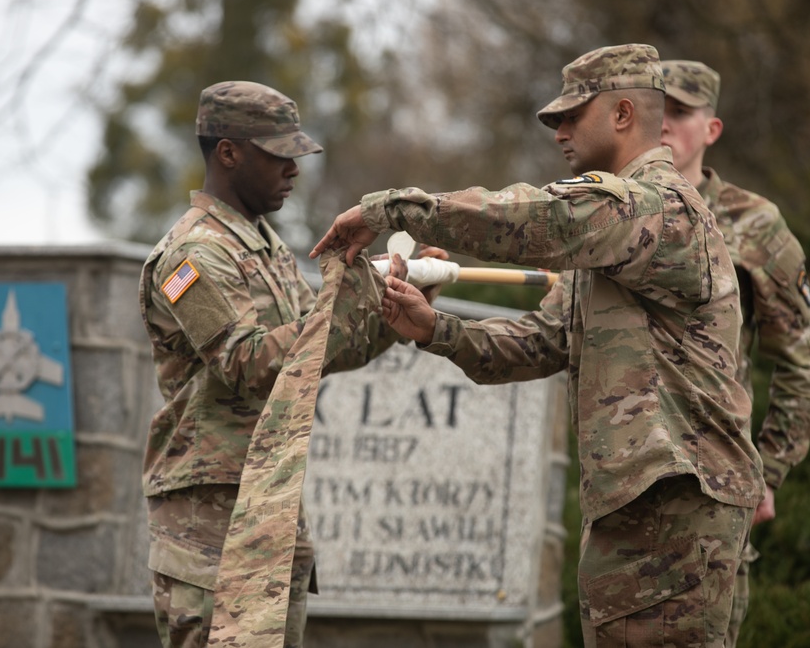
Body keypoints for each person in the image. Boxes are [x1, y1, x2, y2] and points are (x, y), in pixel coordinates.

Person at [312, 44, 765, 647]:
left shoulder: (655, 205)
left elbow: (538, 222)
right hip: (640, 508)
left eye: (572, 116)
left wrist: (395, 210)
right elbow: (540, 342)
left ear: (624, 114)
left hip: (675, 510)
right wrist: (434, 329)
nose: (559, 132)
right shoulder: (615, 236)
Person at [138, 81, 442, 648]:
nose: (294, 168)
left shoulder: (265, 246)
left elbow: (321, 353)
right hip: (212, 524)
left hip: (267, 508)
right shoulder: (193, 255)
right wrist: (350, 297)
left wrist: (397, 301)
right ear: (228, 152)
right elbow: (246, 361)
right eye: (279, 153)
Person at [660, 59, 810, 646]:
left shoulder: (756, 225)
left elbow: (799, 364)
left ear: (712, 129)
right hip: (623, 504)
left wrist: (770, 472)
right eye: (654, 110)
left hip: (713, 498)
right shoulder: (610, 215)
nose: (663, 126)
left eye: (679, 113)